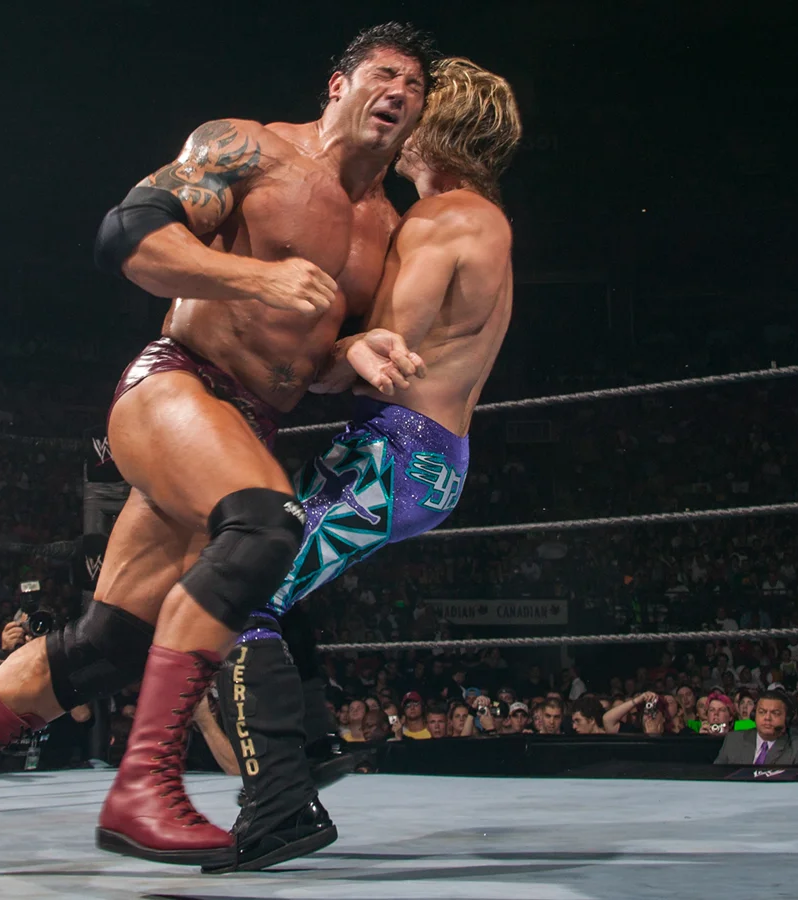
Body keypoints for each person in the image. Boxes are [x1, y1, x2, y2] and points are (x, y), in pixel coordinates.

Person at [0, 22, 436, 875]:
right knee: (267, 526)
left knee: (110, 642)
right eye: (385, 74)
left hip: (244, 426)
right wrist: (255, 276)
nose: (400, 93)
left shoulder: (389, 226)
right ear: (338, 85)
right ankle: (143, 786)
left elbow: (311, 354)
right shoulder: (253, 150)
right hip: (178, 386)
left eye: (415, 87)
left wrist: (355, 350)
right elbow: (127, 236)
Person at [213, 54, 521, 873]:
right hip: (417, 456)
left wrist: (300, 330)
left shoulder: (440, 219)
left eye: (415, 108)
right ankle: (312, 742)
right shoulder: (483, 217)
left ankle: (282, 807)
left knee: (233, 598)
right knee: (260, 562)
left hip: (393, 457)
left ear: (434, 128)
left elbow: (380, 350)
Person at [713, 694, 798, 765]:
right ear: (754, 716)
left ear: (787, 718)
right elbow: (716, 778)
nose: (767, 718)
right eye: (762, 712)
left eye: (775, 713)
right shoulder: (733, 740)